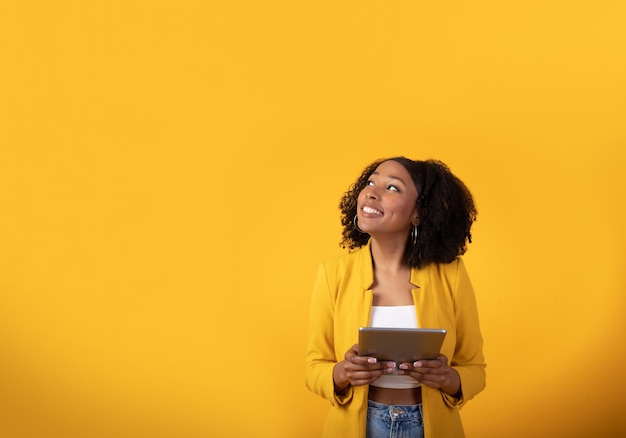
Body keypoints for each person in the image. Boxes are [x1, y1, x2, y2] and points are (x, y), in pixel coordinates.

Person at [305, 157, 486, 438]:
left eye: (392, 187)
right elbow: (314, 367)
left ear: (418, 213)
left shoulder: (452, 274)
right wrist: (343, 372)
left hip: (430, 426)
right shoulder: (333, 273)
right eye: (370, 182)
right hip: (357, 427)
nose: (372, 192)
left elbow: (475, 368)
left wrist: (449, 378)